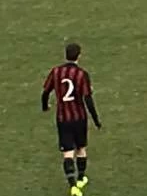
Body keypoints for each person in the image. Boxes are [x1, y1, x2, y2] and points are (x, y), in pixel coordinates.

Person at [41, 42, 102, 195]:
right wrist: (96, 119)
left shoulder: (56, 72)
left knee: (67, 152)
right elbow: (88, 99)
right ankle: (81, 178)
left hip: (63, 118)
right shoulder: (82, 74)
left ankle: (73, 186)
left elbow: (45, 92)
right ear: (79, 56)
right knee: (81, 148)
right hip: (79, 117)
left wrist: (45, 106)